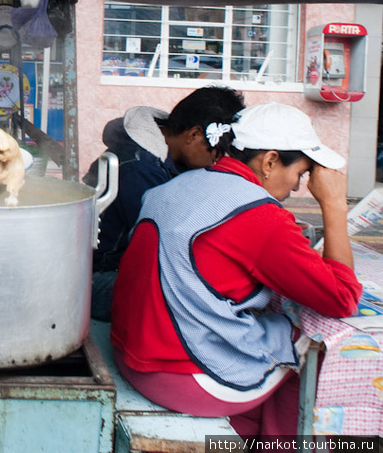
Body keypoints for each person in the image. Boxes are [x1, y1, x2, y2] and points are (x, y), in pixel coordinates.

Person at [110, 102, 361, 437]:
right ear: (270, 161)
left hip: (131, 359)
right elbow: (343, 298)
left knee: (269, 328)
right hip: (186, 379)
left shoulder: (172, 187)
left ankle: (244, 432)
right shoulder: (258, 212)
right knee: (309, 344)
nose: (298, 188)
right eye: (300, 174)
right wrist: (333, 206)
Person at [85, 85, 245, 320]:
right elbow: (168, 245)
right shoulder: (141, 169)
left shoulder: (166, 156)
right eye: (216, 153)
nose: (216, 162)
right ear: (194, 135)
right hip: (99, 280)